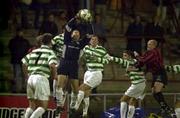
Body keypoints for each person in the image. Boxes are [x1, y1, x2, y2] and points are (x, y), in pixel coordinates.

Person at [55, 11, 93, 116]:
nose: (76, 33)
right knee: (59, 85)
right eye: (74, 32)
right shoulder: (66, 40)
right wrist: (74, 18)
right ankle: (59, 105)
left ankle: (72, 107)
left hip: (73, 65)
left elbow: (90, 35)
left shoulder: (81, 44)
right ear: (71, 34)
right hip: (64, 62)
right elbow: (68, 26)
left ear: (80, 35)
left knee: (76, 90)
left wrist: (89, 23)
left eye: (78, 32)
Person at [134, 39, 175, 117]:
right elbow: (141, 63)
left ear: (154, 45)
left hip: (160, 73)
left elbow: (144, 60)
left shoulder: (154, 52)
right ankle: (164, 107)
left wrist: (137, 56)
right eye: (147, 44)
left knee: (156, 90)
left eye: (149, 44)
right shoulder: (148, 53)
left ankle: (167, 109)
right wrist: (135, 65)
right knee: (153, 92)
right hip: (155, 74)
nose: (147, 45)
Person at [22, 33, 57, 118]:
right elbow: (52, 65)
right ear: (51, 42)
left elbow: (23, 63)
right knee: (43, 107)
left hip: (31, 78)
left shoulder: (34, 51)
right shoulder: (50, 52)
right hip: (41, 78)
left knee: (32, 105)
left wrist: (26, 76)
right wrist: (54, 76)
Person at [73, 35, 110, 117]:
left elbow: (108, 60)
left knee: (81, 88)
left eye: (95, 39)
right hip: (88, 72)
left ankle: (75, 107)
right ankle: (85, 113)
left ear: (98, 41)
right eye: (92, 39)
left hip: (96, 72)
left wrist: (99, 59)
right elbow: (80, 55)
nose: (93, 41)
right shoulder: (86, 48)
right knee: (86, 93)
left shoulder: (102, 49)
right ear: (90, 41)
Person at [110, 50, 146, 118]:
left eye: (125, 55)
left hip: (136, 84)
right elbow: (141, 69)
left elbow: (118, 60)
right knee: (132, 102)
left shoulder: (128, 62)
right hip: (143, 84)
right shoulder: (136, 61)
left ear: (130, 56)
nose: (124, 57)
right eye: (123, 55)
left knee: (123, 100)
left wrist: (109, 57)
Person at [8, 27, 31, 93]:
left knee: (24, 75)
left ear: (23, 33)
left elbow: (28, 50)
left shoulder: (25, 41)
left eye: (21, 32)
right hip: (15, 61)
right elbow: (11, 49)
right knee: (17, 75)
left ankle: (24, 88)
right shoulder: (12, 41)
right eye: (19, 32)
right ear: (16, 32)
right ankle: (18, 88)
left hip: (23, 61)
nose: (20, 33)